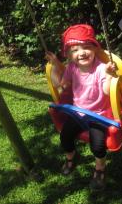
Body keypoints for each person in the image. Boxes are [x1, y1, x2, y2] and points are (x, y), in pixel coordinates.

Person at [46, 24, 116, 190]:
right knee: (65, 136)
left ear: (94, 49)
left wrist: (109, 75)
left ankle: (100, 168)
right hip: (78, 113)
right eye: (75, 50)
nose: (82, 53)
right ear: (69, 55)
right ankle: (71, 157)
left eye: (86, 47)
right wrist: (55, 64)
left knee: (98, 145)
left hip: (98, 115)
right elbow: (61, 85)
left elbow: (107, 91)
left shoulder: (100, 69)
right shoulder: (72, 68)